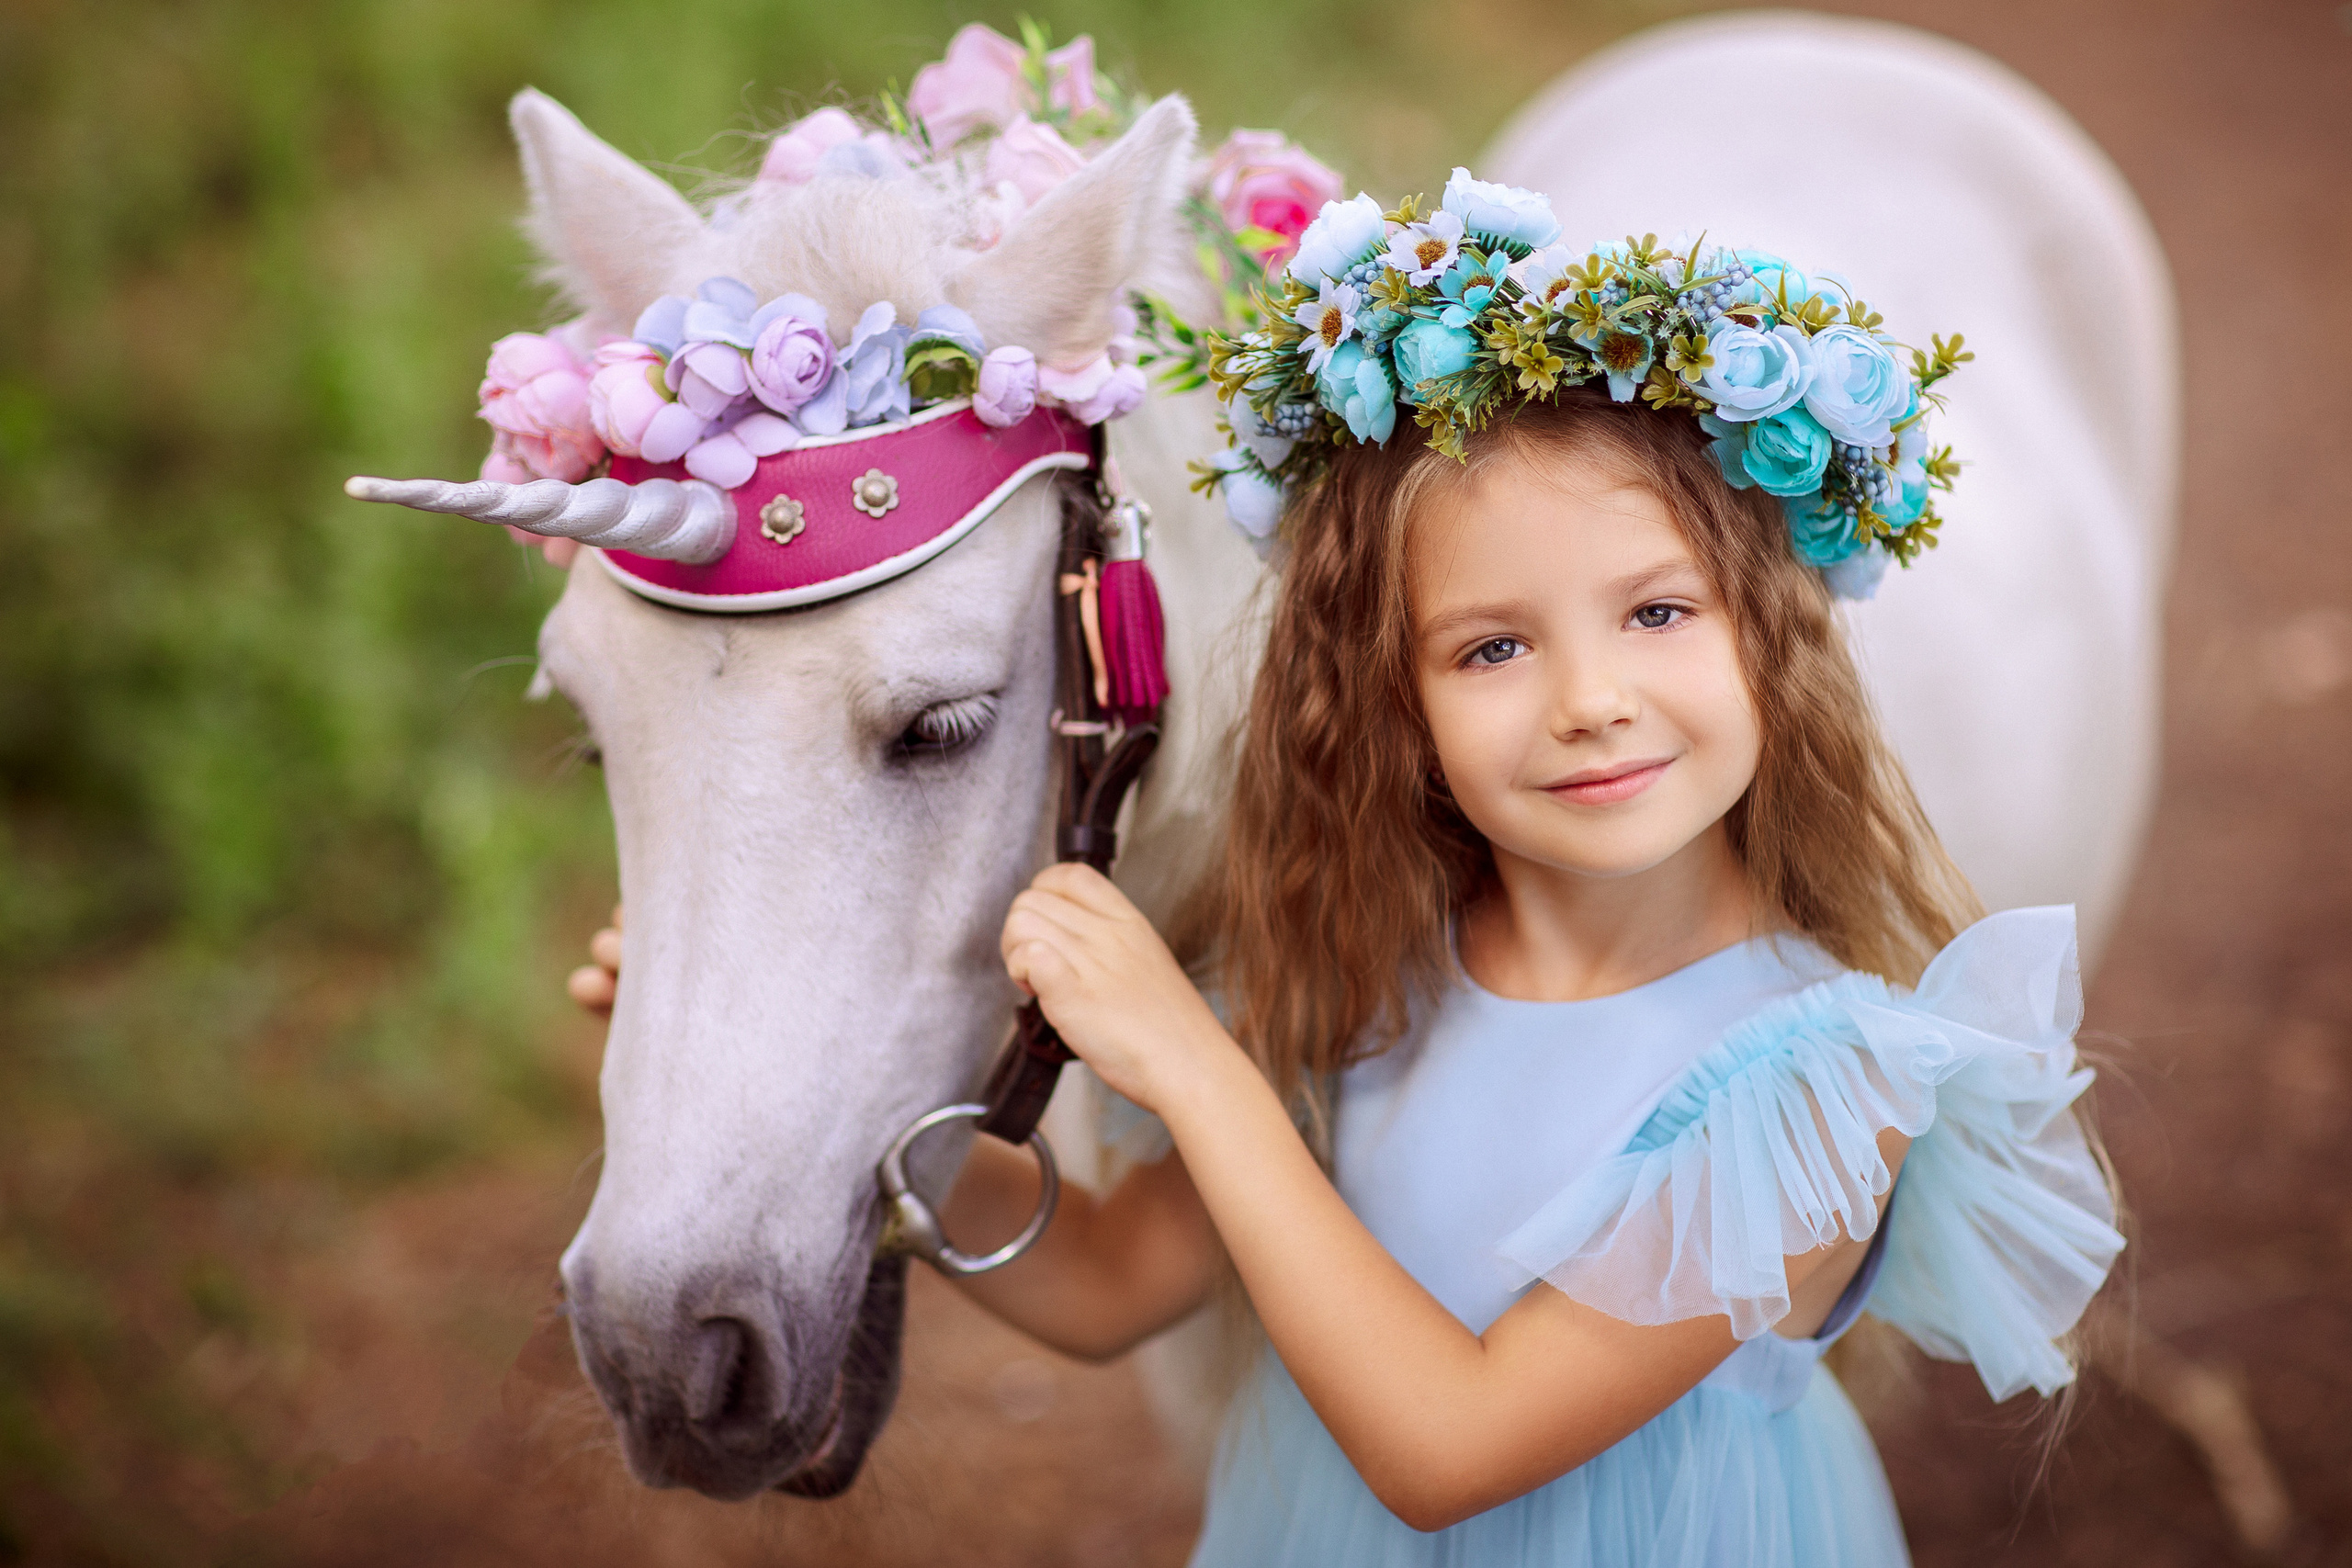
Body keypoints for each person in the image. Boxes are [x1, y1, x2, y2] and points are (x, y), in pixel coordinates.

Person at [572, 183, 2124, 1563]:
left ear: (1768, 635)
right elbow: (1112, 1287)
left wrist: (1195, 1067)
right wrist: (803, 1110)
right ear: (1394, 700)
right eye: (1494, 646)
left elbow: (1449, 1451)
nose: (1589, 698)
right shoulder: (1370, 974)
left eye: (1658, 614)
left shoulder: (1819, 1086)